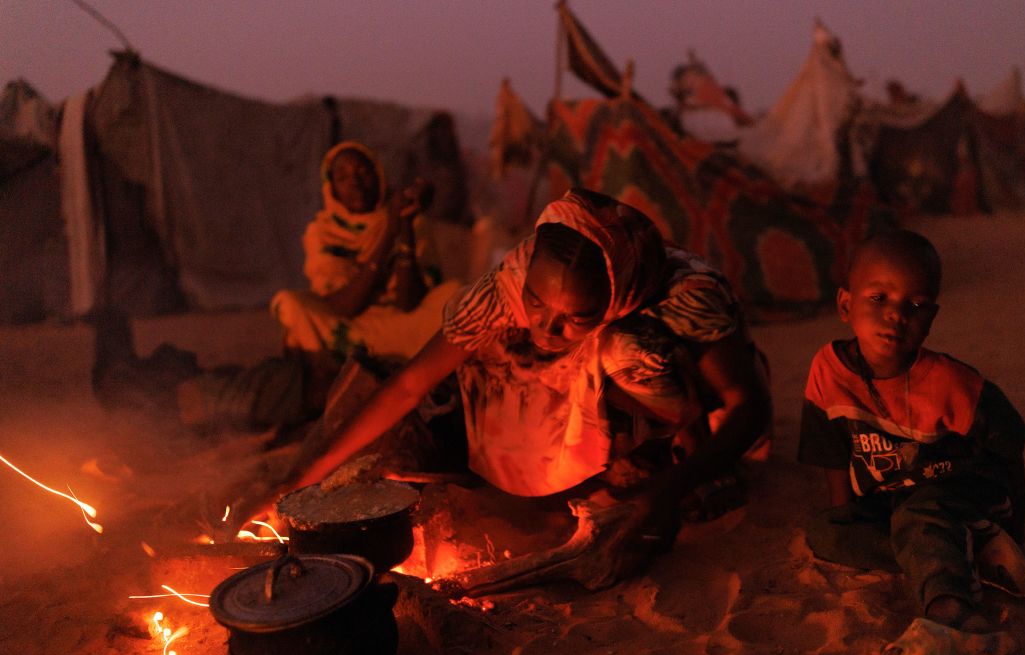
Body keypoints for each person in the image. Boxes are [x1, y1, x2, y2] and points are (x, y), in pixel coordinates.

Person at [283, 188, 772, 548]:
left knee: (625, 348)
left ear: (617, 291)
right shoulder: (509, 281)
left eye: (574, 316)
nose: (546, 327)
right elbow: (410, 383)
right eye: (536, 302)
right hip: (593, 387)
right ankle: (602, 464)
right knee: (488, 345)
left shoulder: (686, 294)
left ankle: (671, 459)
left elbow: (748, 404)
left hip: (690, 400)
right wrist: (304, 475)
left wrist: (669, 490)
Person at [798, 229, 1025, 655]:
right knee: (825, 533)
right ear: (846, 306)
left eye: (914, 305)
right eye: (879, 298)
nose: (895, 316)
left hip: (961, 488)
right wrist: (847, 517)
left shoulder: (952, 383)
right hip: (893, 498)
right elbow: (831, 455)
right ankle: (972, 547)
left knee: (918, 513)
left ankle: (955, 618)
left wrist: (1018, 525)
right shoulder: (827, 371)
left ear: (930, 318)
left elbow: (1011, 441)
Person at [270, 141, 460, 408]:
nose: (355, 183)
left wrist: (404, 226)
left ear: (378, 176)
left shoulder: (411, 220)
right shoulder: (321, 231)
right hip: (348, 326)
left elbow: (409, 303)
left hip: (400, 325)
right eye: (343, 177)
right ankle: (328, 385)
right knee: (289, 304)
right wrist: (389, 234)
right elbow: (344, 306)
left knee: (454, 296)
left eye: (363, 173)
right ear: (330, 187)